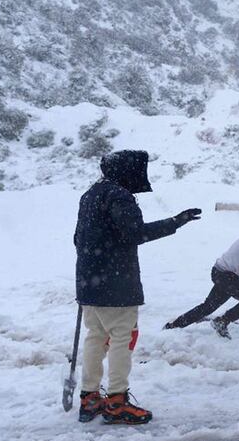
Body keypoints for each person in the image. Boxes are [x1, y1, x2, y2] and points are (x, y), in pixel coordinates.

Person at [74, 150, 201, 425]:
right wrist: (175, 222)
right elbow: (136, 233)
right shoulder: (119, 196)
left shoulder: (90, 195)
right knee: (122, 337)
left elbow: (77, 238)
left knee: (95, 337)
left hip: (88, 282)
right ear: (126, 171)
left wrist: (90, 272)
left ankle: (89, 397)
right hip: (116, 286)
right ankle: (117, 401)